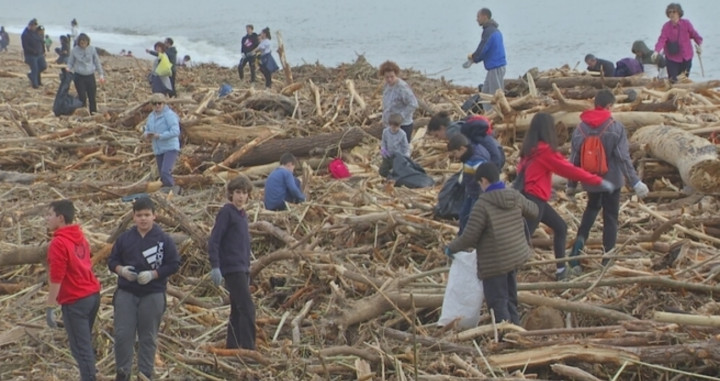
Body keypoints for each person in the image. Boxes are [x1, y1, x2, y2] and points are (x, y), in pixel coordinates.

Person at [517, 113, 612, 280]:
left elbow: (525, 174)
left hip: (528, 196)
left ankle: (561, 270)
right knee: (522, 238)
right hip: (535, 200)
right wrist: (597, 181)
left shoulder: (528, 150)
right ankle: (508, 274)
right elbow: (568, 169)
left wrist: (545, 187)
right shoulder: (544, 151)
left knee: (560, 227)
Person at [446, 163, 538, 325]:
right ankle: (515, 329)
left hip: (494, 261)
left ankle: (505, 336)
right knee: (510, 297)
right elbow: (534, 211)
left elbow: (469, 237)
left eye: (479, 183)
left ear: (484, 181)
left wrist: (450, 248)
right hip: (515, 255)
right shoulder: (513, 195)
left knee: (497, 302)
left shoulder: (483, 205)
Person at [568, 90, 650, 271]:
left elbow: (574, 159)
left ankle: (576, 253)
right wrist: (635, 182)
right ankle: (607, 260)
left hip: (590, 181)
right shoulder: (615, 127)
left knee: (591, 209)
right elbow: (623, 158)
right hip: (612, 181)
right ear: (609, 106)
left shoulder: (580, 128)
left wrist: (571, 186)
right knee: (610, 217)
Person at [108, 197, 180, 380]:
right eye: (139, 215)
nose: (143, 219)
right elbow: (112, 261)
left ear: (154, 216)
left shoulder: (164, 240)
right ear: (133, 217)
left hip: (153, 293)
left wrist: (154, 274)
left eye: (147, 215)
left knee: (148, 336)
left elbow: (173, 264)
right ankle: (122, 372)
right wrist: (122, 271)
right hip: (127, 292)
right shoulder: (125, 238)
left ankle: (145, 373)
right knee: (123, 334)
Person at [45, 199, 101, 381]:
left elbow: (57, 277)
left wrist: (50, 306)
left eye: (49, 214)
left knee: (80, 348)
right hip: (92, 295)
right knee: (84, 344)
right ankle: (91, 374)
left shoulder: (59, 243)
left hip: (75, 299)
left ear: (60, 218)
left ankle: (89, 377)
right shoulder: (79, 237)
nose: (47, 219)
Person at [208, 175, 257, 350]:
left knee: (237, 310)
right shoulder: (227, 212)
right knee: (247, 308)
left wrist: (248, 268)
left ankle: (233, 347)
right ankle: (248, 349)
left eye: (244, 193)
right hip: (232, 268)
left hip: (242, 267)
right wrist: (215, 266)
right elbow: (214, 240)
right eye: (238, 192)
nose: (241, 196)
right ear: (231, 193)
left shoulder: (242, 215)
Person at [427, 111, 505, 169]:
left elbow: (468, 152)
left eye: (437, 135)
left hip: (492, 157)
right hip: (497, 150)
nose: (438, 138)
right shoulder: (460, 124)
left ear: (442, 128)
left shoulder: (452, 132)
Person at [466, 8, 507, 113]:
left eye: (478, 17)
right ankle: (489, 114)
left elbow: (483, 48)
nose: (476, 19)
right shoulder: (491, 30)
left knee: (496, 95)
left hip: (496, 67)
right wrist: (475, 58)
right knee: (485, 92)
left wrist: (474, 57)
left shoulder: (489, 31)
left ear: (485, 17)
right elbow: (485, 49)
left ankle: (499, 114)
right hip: (493, 67)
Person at [447, 133, 490, 234]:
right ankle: (462, 238)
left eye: (455, 153)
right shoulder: (469, 156)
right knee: (464, 215)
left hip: (478, 194)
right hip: (471, 191)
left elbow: (483, 180)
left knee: (472, 218)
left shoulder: (477, 159)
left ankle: (469, 240)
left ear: (462, 149)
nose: (455, 157)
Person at [654, 3, 703, 83]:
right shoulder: (666, 26)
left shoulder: (686, 23)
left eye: (674, 12)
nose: (672, 14)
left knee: (684, 79)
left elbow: (694, 34)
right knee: (673, 80)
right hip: (672, 58)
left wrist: (700, 45)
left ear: (679, 13)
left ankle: (683, 94)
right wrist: (656, 51)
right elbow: (662, 39)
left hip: (686, 57)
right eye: (670, 12)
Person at [143, 93, 181, 193]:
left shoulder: (170, 115)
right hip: (158, 149)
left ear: (164, 103)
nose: (157, 106)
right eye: (155, 103)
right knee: (161, 173)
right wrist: (147, 134)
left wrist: (160, 136)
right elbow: (146, 129)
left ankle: (172, 190)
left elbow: (176, 131)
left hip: (170, 147)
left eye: (159, 103)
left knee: (165, 171)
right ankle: (168, 191)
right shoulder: (151, 116)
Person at [380, 60, 418, 143]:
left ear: (396, 74)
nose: (389, 79)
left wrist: (400, 116)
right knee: (388, 150)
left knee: (402, 152)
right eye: (387, 77)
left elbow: (413, 104)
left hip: (402, 125)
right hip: (389, 125)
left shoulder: (402, 88)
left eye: (392, 76)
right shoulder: (386, 86)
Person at [67, 33, 105, 114]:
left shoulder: (92, 49)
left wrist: (101, 74)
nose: (83, 44)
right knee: (82, 96)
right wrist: (68, 69)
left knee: (92, 97)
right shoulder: (74, 50)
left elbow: (97, 62)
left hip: (90, 75)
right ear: (79, 42)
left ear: (88, 42)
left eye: (84, 42)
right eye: (81, 43)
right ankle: (83, 112)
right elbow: (70, 62)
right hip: (79, 76)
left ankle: (93, 112)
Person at [379, 113, 410, 178]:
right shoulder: (385, 132)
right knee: (382, 171)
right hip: (388, 155)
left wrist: (405, 157)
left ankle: (395, 176)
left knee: (398, 171)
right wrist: (383, 151)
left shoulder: (402, 134)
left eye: (396, 126)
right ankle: (388, 176)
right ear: (390, 125)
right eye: (392, 126)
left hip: (398, 156)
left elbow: (405, 147)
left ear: (400, 125)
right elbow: (383, 143)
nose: (394, 128)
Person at [21, 18, 47, 89]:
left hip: (40, 54)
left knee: (43, 66)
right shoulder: (25, 34)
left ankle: (32, 75)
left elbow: (41, 41)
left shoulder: (36, 32)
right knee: (35, 68)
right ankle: (35, 84)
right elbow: (25, 46)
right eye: (33, 26)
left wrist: (43, 50)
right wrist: (33, 51)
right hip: (30, 55)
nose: (34, 27)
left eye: (35, 26)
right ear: (29, 26)